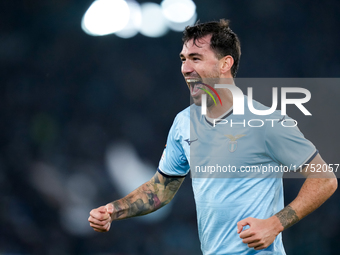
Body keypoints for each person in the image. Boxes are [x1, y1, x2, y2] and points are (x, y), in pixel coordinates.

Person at [88, 20, 337, 254]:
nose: (186, 68)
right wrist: (114, 210)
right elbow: (160, 190)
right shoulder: (183, 122)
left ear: (225, 63)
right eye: (183, 59)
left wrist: (275, 224)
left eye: (196, 58)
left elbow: (325, 179)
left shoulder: (266, 121)